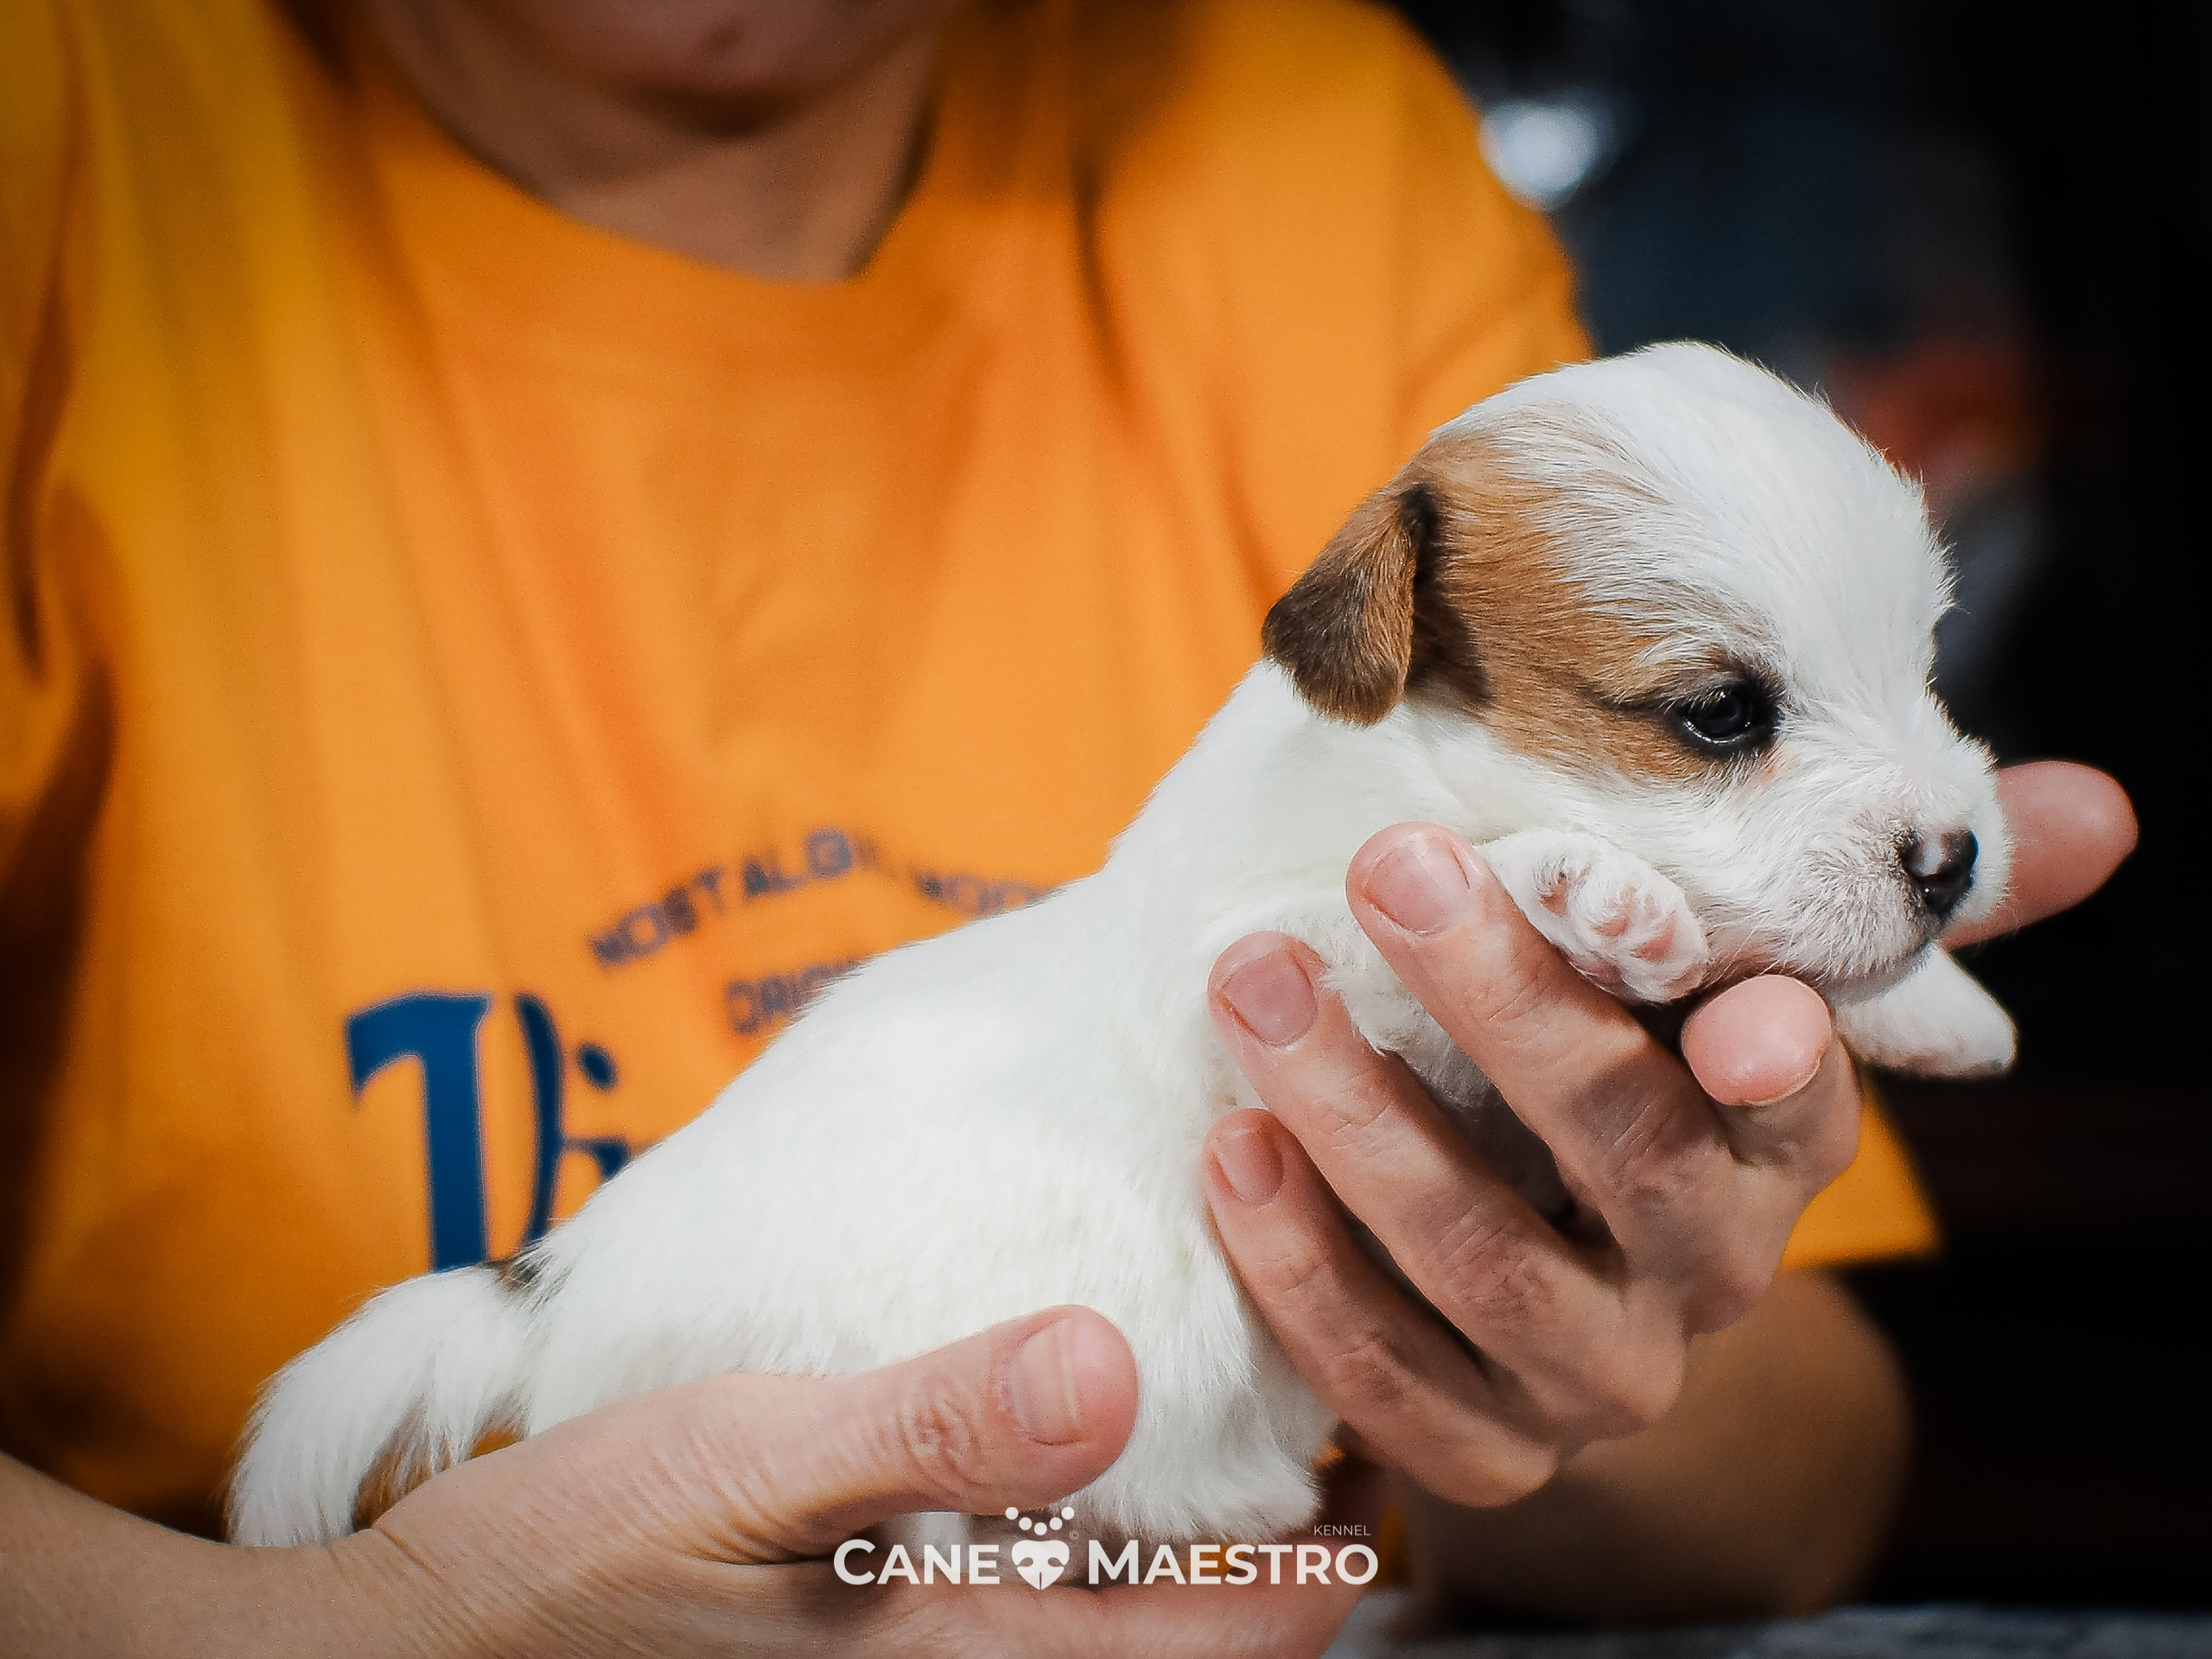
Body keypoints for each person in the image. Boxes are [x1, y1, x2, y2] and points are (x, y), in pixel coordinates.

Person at [0, 0, 2135, 1652]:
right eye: (1718, 720)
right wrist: (339, 1634)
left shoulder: (1307, 145)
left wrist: (1566, 1322)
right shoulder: (72, 128)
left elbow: (1792, 1493)